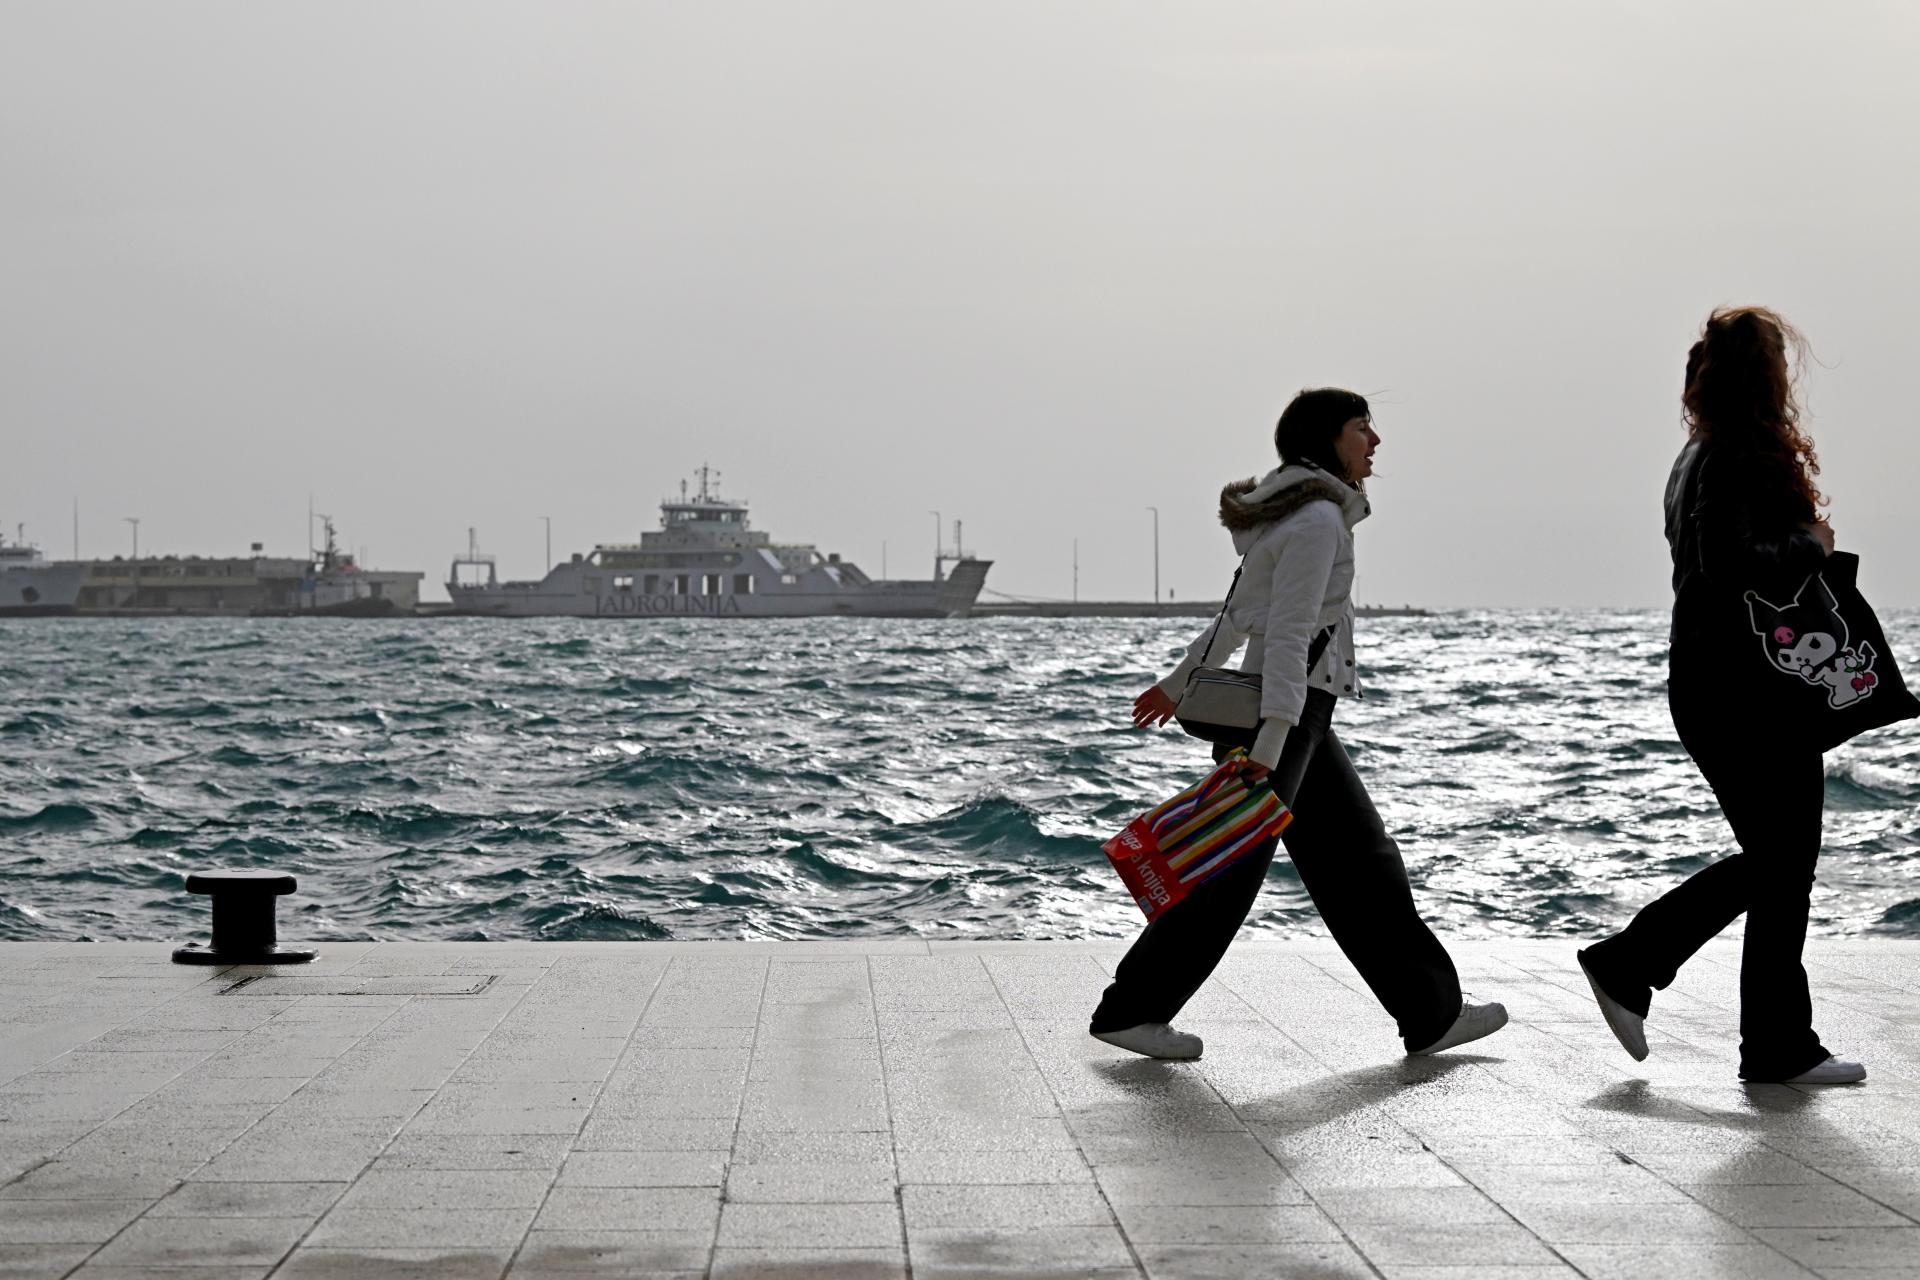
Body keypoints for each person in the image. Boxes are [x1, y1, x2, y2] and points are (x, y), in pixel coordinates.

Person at [1089, 388, 1508, 1060]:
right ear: (1327, 440)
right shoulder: (1318, 520)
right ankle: (1132, 1008)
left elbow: (1239, 616)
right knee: (1231, 867)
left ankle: (1430, 1012)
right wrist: (1273, 740)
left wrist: (1177, 685)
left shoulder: (1293, 514)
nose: (1376, 442)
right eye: (1362, 427)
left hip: (1290, 715)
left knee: (1361, 865)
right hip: (1285, 716)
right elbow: (1285, 633)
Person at [1577, 306, 1863, 1085]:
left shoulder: (1697, 452)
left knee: (1780, 862)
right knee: (1782, 861)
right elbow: (1729, 564)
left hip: (1714, 684)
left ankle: (1767, 1040)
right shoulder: (1736, 451)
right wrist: (1812, 546)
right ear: (1764, 373)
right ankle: (1639, 965)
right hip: (1747, 692)